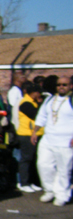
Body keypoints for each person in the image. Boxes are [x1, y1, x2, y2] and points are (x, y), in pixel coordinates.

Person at [33, 76, 73, 206]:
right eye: (59, 85)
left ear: (71, 86)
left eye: (64, 85)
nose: (61, 87)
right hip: (48, 139)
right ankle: (49, 190)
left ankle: (62, 194)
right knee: (43, 165)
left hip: (66, 141)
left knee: (64, 169)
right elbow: (42, 115)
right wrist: (35, 131)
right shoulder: (49, 100)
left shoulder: (71, 100)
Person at [15, 82, 44, 193]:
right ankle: (24, 182)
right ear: (34, 93)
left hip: (35, 134)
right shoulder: (25, 103)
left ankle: (32, 182)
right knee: (26, 159)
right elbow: (36, 114)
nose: (40, 95)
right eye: (38, 93)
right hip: (26, 134)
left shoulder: (33, 102)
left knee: (33, 159)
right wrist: (41, 104)